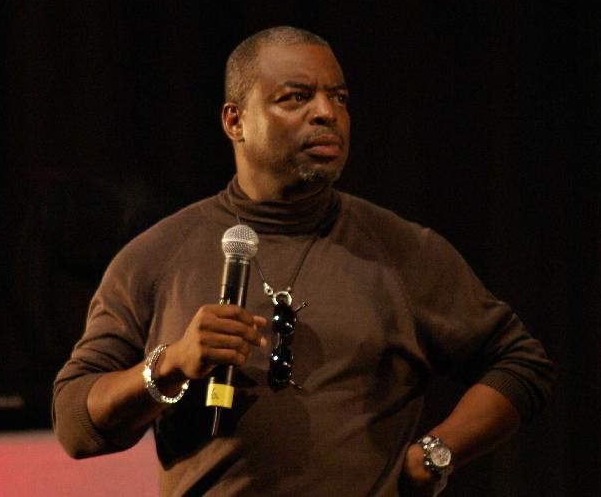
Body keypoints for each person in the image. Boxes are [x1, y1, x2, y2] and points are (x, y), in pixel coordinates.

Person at [52, 26, 554, 496]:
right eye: (296, 97)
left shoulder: (401, 251)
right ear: (235, 121)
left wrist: (436, 454)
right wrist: (170, 365)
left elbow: (520, 362)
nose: (326, 113)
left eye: (339, 98)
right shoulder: (157, 256)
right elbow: (75, 422)